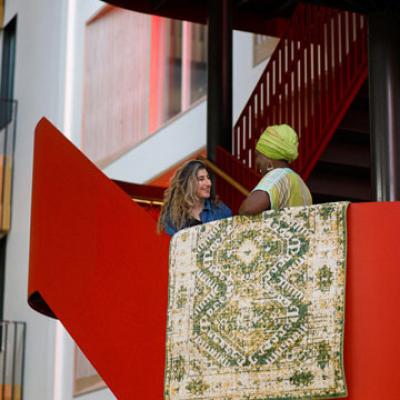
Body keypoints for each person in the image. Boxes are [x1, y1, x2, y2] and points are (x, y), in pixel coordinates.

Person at [239, 124, 312, 215]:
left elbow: (248, 208)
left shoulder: (277, 175)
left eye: (257, 155)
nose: (256, 162)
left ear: (269, 156)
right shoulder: (302, 186)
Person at [158, 159, 232, 236]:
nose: (209, 183)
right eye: (201, 179)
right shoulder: (173, 217)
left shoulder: (221, 211)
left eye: (208, 178)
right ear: (188, 183)